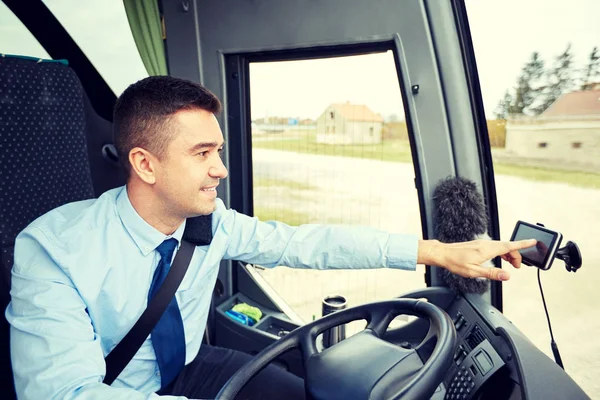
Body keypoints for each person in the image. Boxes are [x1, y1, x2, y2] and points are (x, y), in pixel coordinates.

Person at [6, 76, 536, 400]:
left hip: (192, 370)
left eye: (218, 151)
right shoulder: (53, 251)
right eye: (202, 154)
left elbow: (306, 243)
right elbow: (63, 394)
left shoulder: (208, 222)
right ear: (144, 163)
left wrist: (438, 251)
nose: (221, 169)